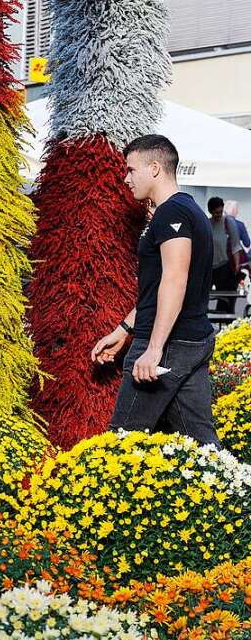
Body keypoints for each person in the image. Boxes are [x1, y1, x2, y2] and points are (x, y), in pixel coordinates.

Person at [91, 135, 219, 446]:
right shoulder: (188, 210)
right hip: (190, 340)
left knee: (121, 443)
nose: (126, 178)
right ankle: (233, 495)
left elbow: (175, 279)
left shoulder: (172, 213)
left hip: (169, 342)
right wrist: (123, 330)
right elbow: (157, 287)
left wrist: (154, 349)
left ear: (154, 168)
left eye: (131, 170)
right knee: (201, 448)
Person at [207, 196, 243, 314]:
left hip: (224, 265)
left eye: (220, 212)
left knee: (224, 298)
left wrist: (237, 266)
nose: (218, 214)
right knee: (204, 295)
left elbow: (235, 244)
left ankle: (223, 321)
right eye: (216, 212)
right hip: (209, 266)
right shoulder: (207, 224)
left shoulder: (228, 222)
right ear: (211, 211)